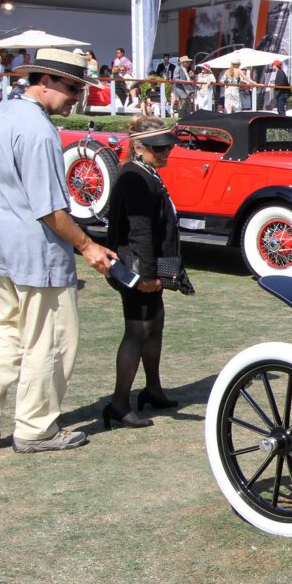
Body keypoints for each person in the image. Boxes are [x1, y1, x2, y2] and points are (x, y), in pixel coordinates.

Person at [0, 48, 117, 452]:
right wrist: (87, 246)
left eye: (80, 88)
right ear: (44, 82)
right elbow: (49, 207)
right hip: (34, 251)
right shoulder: (38, 129)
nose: (77, 96)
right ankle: (35, 428)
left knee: (6, 327)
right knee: (50, 339)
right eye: (72, 87)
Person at [103, 117, 187, 430]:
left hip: (149, 263)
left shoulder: (144, 171)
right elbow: (139, 230)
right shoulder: (134, 176)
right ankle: (119, 404)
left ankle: (152, 389)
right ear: (138, 147)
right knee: (137, 331)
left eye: (169, 146)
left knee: (155, 325)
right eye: (157, 147)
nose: (165, 152)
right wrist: (150, 275)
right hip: (137, 267)